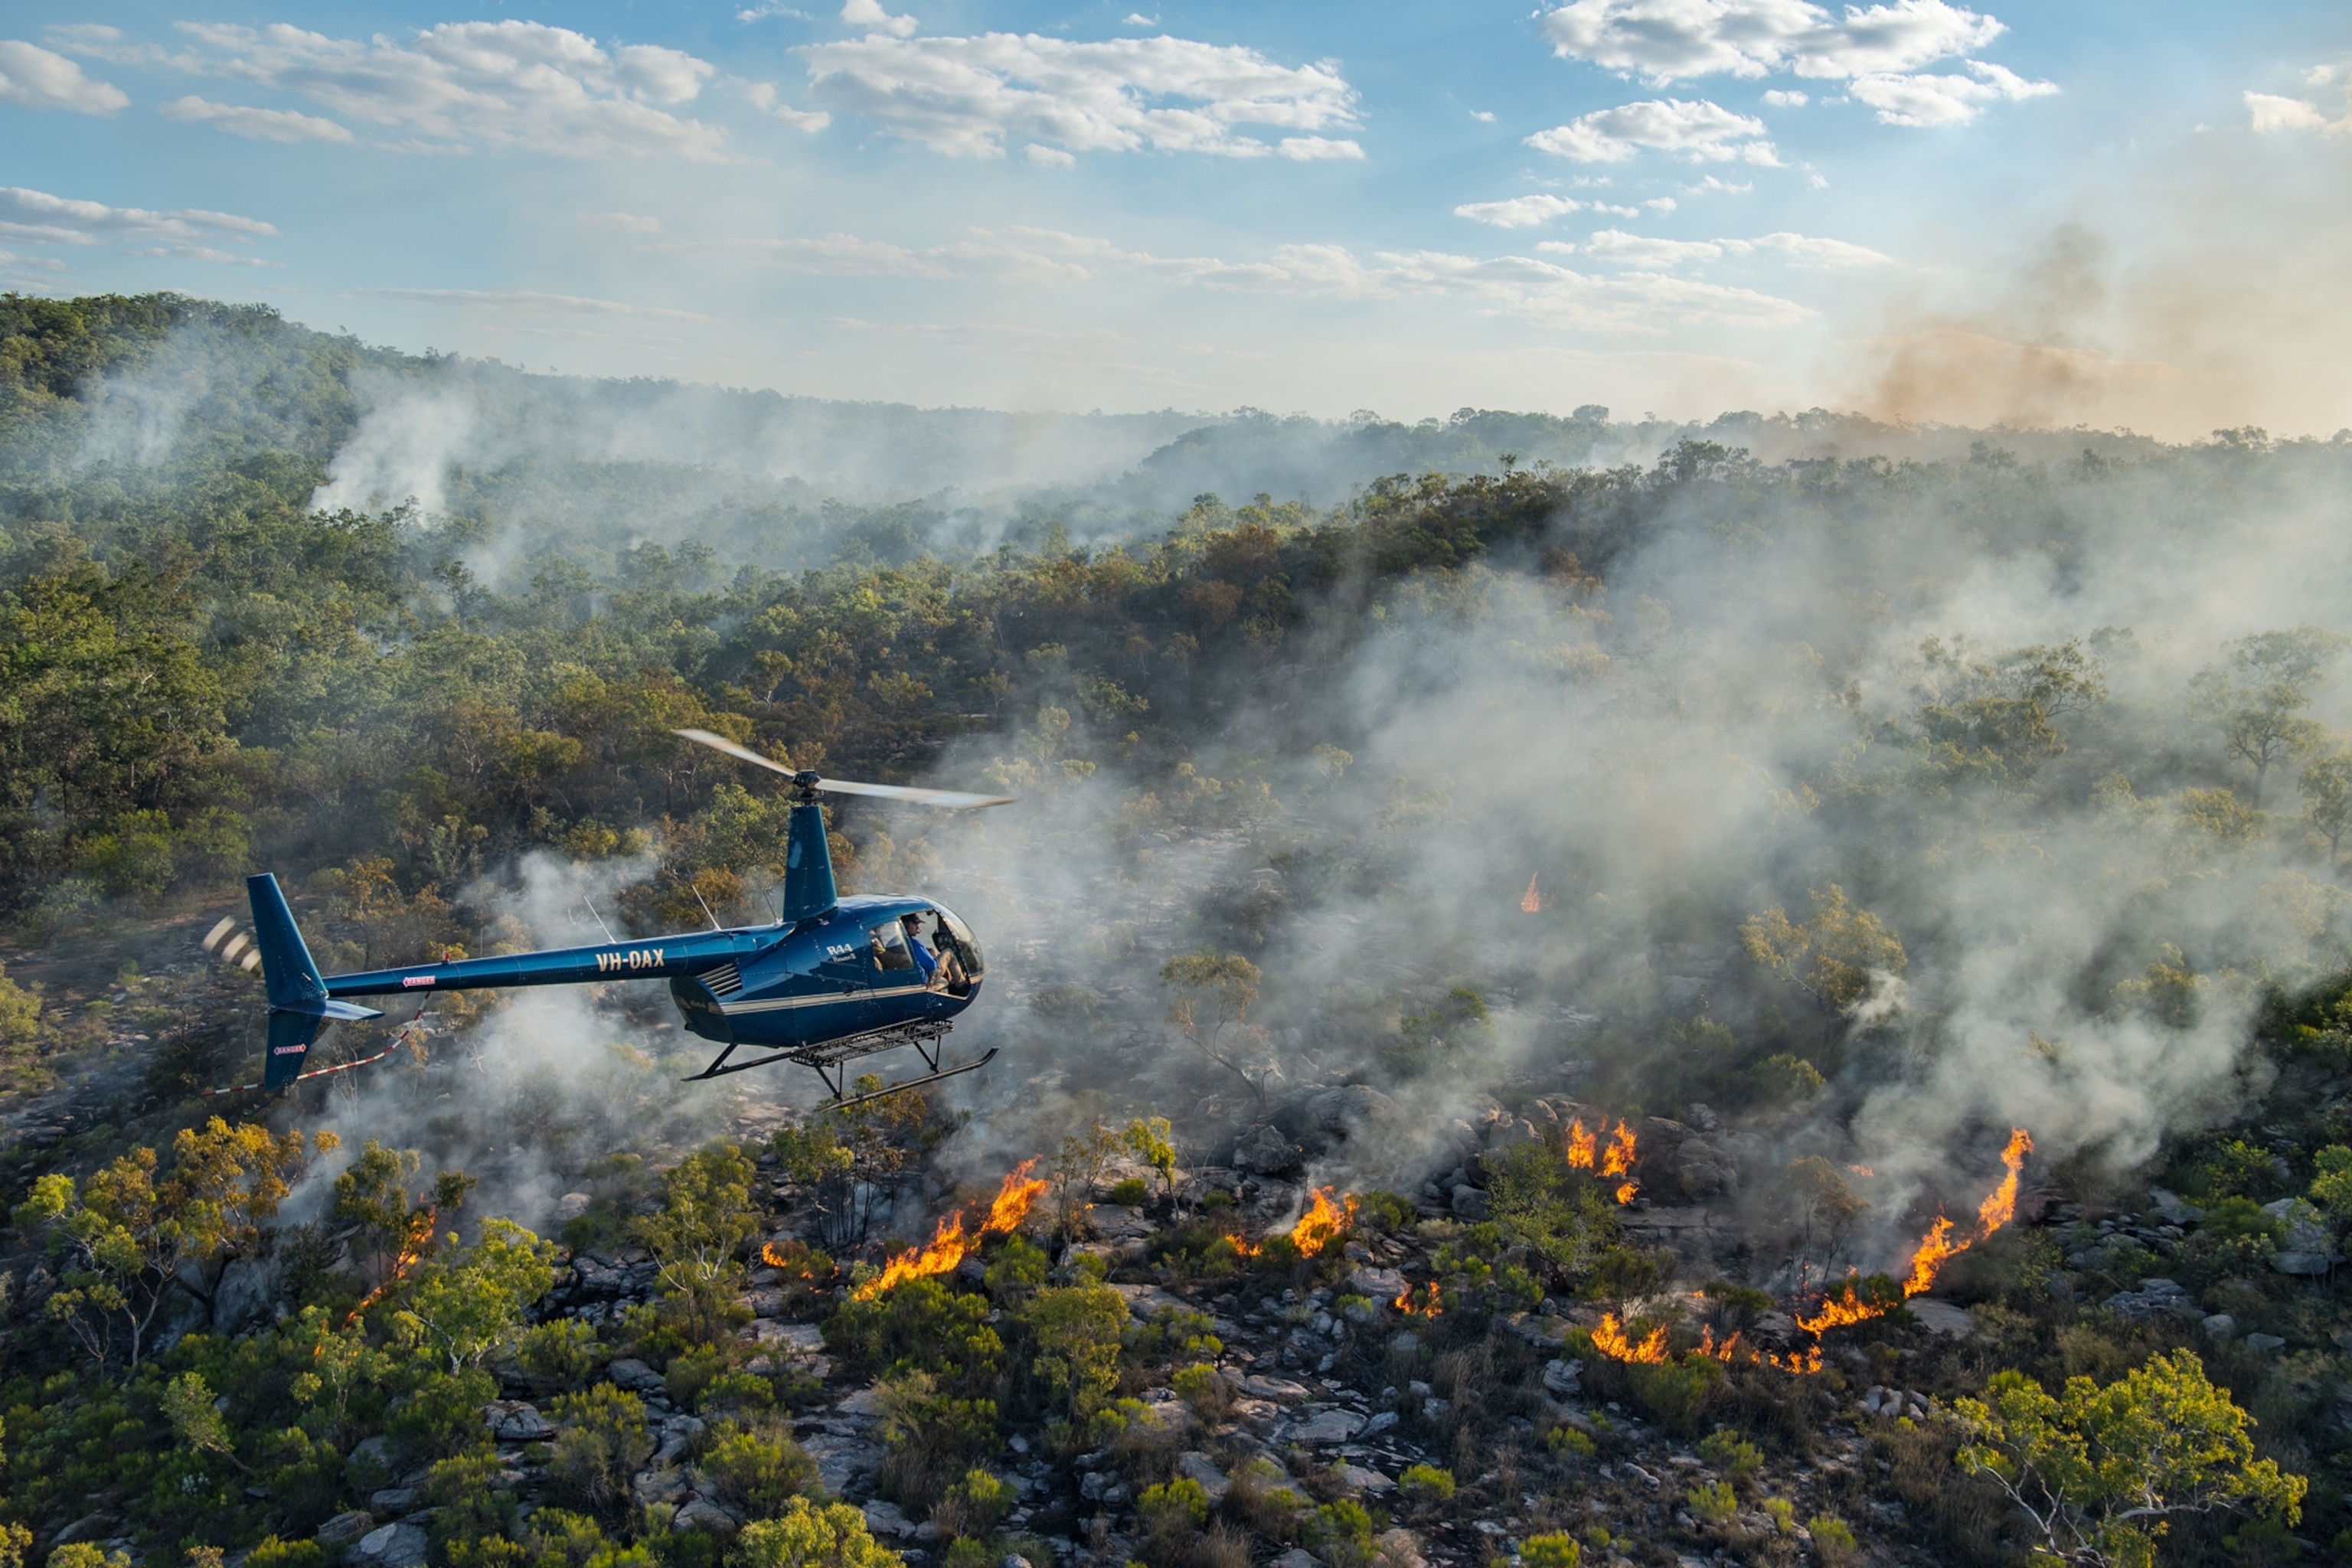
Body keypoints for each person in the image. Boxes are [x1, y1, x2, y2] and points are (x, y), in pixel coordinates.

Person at [901, 913, 940, 988]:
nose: (917, 927)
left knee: (932, 951)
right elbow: (932, 965)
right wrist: (935, 958)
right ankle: (960, 985)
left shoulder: (895, 942)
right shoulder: (915, 944)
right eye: (915, 924)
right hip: (923, 983)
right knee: (948, 953)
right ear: (905, 925)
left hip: (908, 981)